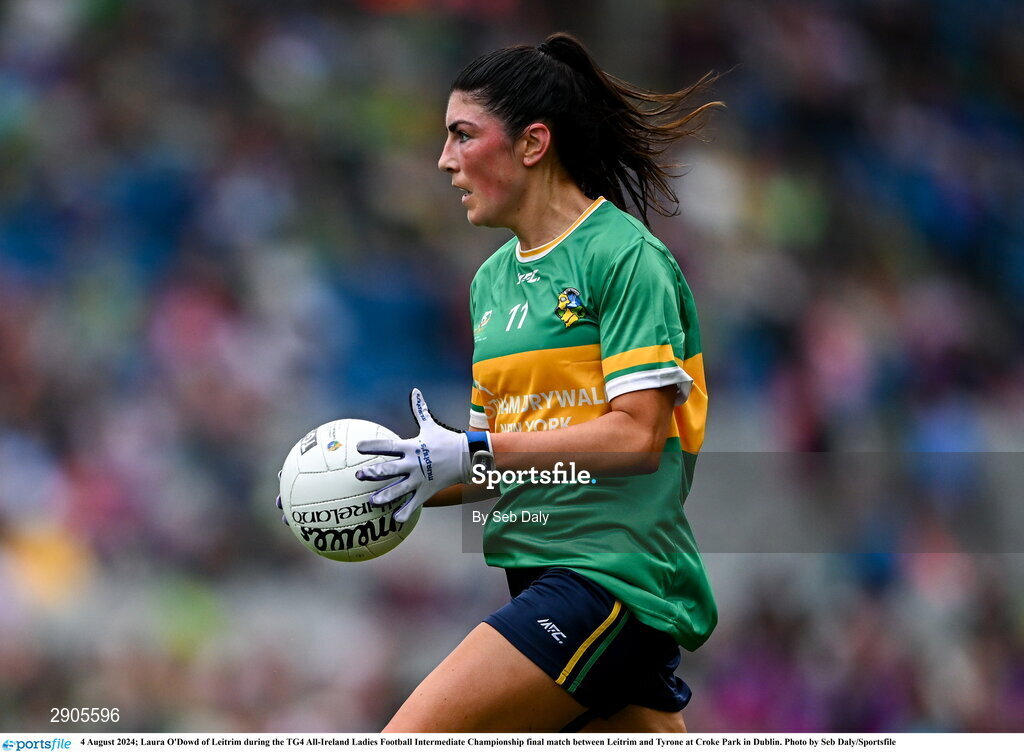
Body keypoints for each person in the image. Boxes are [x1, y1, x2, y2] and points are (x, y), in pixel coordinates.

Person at [353, 33, 722, 733]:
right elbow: (499, 463)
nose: (444, 160)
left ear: (532, 144)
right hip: (543, 576)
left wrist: (475, 453)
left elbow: (638, 436)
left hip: (611, 584)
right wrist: (402, 481)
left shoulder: (625, 258)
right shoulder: (490, 283)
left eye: (463, 136)